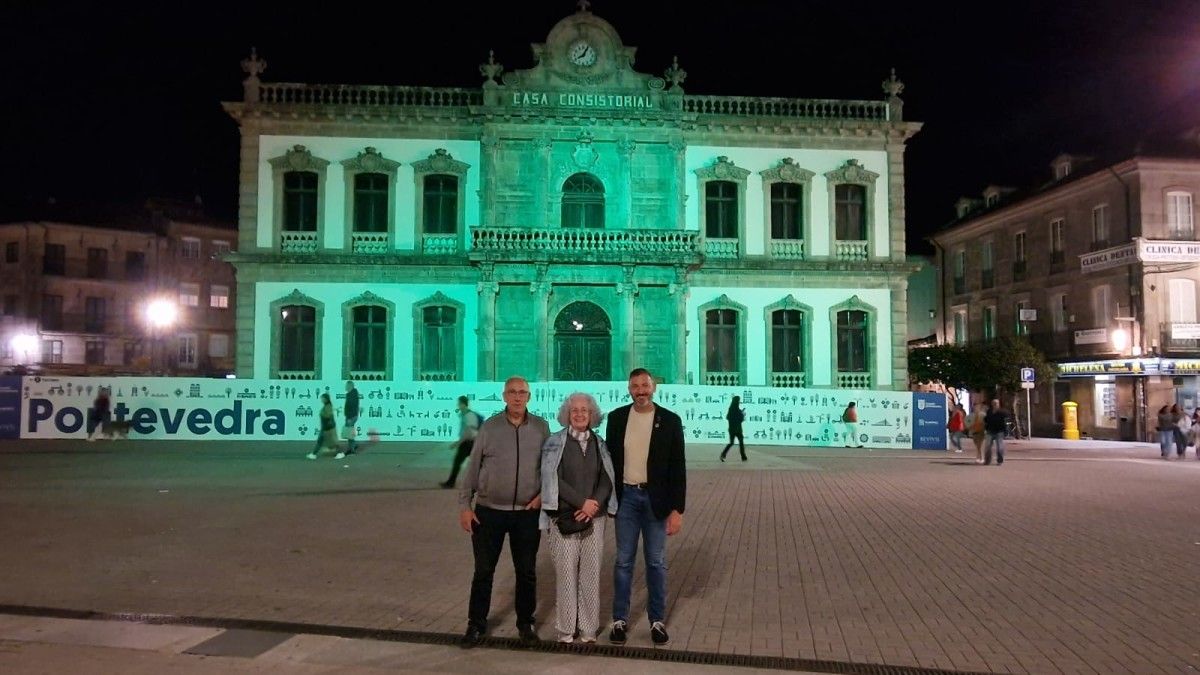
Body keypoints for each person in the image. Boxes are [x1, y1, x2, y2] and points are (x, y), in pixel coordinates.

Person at [457, 376, 550, 648]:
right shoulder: (490, 427)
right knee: (484, 571)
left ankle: (526, 623)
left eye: (522, 392)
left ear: (529, 397)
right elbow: (472, 469)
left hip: (526, 514)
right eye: (512, 392)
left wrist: (544, 495)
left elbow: (549, 467)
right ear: (504, 396)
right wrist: (465, 506)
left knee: (526, 571)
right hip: (489, 513)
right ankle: (476, 624)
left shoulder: (541, 428)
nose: (518, 397)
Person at [605, 368, 686, 647]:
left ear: (654, 388)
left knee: (656, 562)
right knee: (623, 562)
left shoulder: (670, 421)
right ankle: (619, 620)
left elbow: (678, 468)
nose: (641, 391)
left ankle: (657, 620)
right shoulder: (616, 419)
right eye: (635, 386)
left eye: (645, 385)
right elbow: (609, 463)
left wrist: (677, 510)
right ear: (629, 389)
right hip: (626, 499)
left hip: (656, 502)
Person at [540, 393, 616, 644]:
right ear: (567, 414)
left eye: (585, 410)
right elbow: (552, 478)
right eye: (575, 410)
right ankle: (565, 629)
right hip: (565, 516)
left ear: (592, 414)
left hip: (595, 517)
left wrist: (593, 505)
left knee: (591, 574)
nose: (580, 414)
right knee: (566, 574)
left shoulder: (600, 443)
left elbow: (607, 477)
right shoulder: (555, 442)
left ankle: (588, 628)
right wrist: (580, 502)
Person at [441, 395, 483, 488]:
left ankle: (451, 483)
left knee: (459, 462)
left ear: (464, 404)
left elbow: (469, 432)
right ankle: (451, 482)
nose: (458, 405)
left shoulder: (469, 415)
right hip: (470, 442)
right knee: (475, 463)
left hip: (469, 443)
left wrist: (458, 442)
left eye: (459, 403)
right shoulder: (465, 414)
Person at [306, 393, 339, 459]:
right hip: (325, 427)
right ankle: (314, 454)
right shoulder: (326, 406)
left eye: (323, 398)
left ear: (326, 399)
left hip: (327, 428)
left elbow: (329, 416)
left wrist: (326, 420)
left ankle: (339, 453)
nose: (321, 400)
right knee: (325, 441)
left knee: (330, 442)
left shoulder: (328, 406)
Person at [719, 395, 746, 462]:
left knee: (731, 443)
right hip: (738, 429)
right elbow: (740, 419)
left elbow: (728, 417)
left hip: (731, 429)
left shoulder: (731, 409)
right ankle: (743, 456)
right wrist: (742, 415)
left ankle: (723, 454)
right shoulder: (737, 410)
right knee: (741, 442)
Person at [339, 380, 360, 459]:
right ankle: (353, 446)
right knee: (349, 432)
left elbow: (351, 407)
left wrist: (349, 417)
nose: (345, 387)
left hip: (351, 416)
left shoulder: (351, 395)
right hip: (352, 416)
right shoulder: (353, 394)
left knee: (349, 433)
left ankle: (352, 449)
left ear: (350, 386)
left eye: (346, 386)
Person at [982, 398, 1007, 466]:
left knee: (999, 447)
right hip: (990, 430)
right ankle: (987, 460)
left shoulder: (1002, 412)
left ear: (998, 404)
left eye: (996, 403)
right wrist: (985, 427)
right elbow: (986, 420)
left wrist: (1005, 432)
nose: (995, 405)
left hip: (999, 431)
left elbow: (1004, 422)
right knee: (987, 446)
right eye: (993, 403)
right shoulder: (989, 411)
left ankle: (1000, 461)